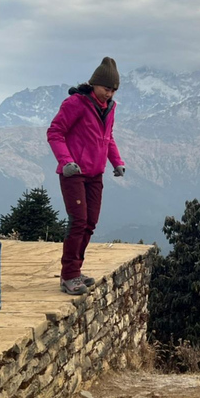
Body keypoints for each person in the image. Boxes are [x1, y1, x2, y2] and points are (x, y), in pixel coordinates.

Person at [47, 57, 126, 295]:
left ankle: (75, 271)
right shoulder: (76, 103)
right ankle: (68, 275)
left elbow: (107, 138)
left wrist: (117, 162)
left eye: (113, 90)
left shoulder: (110, 109)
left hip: (95, 174)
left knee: (90, 222)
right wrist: (66, 161)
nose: (109, 94)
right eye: (106, 88)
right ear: (94, 84)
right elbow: (55, 132)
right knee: (78, 221)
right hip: (74, 173)